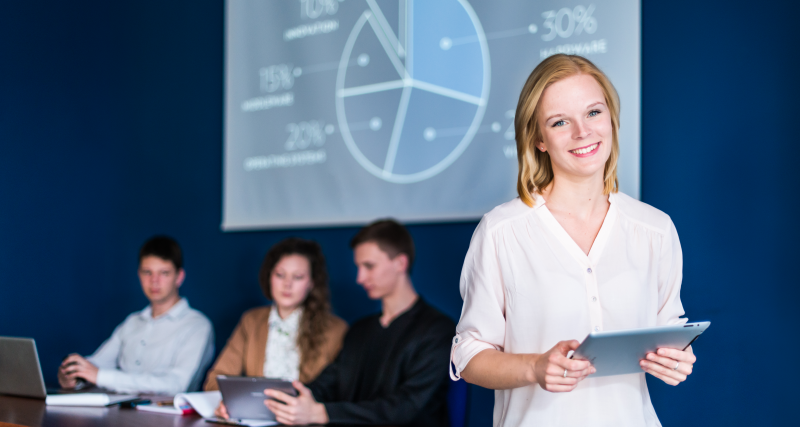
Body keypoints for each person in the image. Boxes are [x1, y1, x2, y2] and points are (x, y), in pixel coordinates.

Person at [449, 54, 697, 426]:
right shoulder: (502, 232)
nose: (583, 132)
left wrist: (678, 358)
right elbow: (468, 357)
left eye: (594, 113)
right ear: (539, 140)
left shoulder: (655, 229)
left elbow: (671, 329)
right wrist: (534, 368)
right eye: (560, 121)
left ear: (612, 119)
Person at [262, 219, 455, 427]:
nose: (360, 278)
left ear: (400, 263)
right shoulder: (359, 330)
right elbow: (325, 385)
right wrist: (271, 404)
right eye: (358, 267)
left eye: (369, 266)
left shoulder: (437, 330)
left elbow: (406, 407)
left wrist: (322, 413)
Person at [205, 238, 347, 419]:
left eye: (298, 277)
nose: (287, 284)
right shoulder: (252, 320)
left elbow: (336, 393)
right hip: (252, 420)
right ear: (269, 276)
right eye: (280, 275)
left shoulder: (335, 329)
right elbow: (217, 378)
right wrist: (225, 402)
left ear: (311, 283)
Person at [58, 236, 214, 395]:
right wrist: (75, 374)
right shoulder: (132, 322)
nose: (154, 281)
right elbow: (99, 362)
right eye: (147, 272)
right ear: (139, 274)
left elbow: (177, 384)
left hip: (166, 416)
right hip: (119, 411)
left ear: (179, 277)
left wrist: (100, 376)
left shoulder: (197, 326)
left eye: (164, 273)